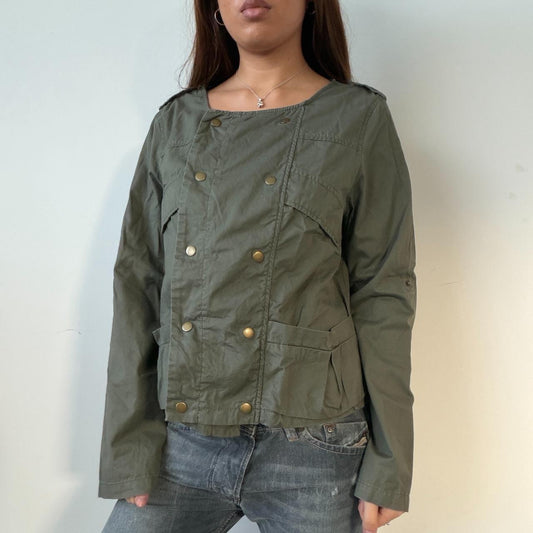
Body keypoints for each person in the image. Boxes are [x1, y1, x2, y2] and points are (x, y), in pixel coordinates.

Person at [98, 1, 417, 532]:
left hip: (316, 445)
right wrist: (127, 446)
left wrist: (390, 462)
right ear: (214, 9)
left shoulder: (358, 119)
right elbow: (138, 284)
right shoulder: (175, 123)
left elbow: (383, 290)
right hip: (181, 439)